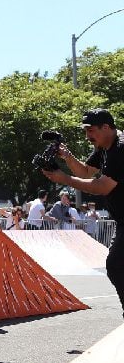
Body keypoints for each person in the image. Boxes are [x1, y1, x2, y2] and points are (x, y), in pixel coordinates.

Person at [42, 109, 124, 316]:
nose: (87, 136)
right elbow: (86, 172)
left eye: (91, 130)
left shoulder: (121, 149)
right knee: (116, 266)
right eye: (85, 131)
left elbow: (102, 186)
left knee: (115, 265)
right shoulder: (104, 146)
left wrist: (65, 180)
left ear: (106, 127)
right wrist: (67, 157)